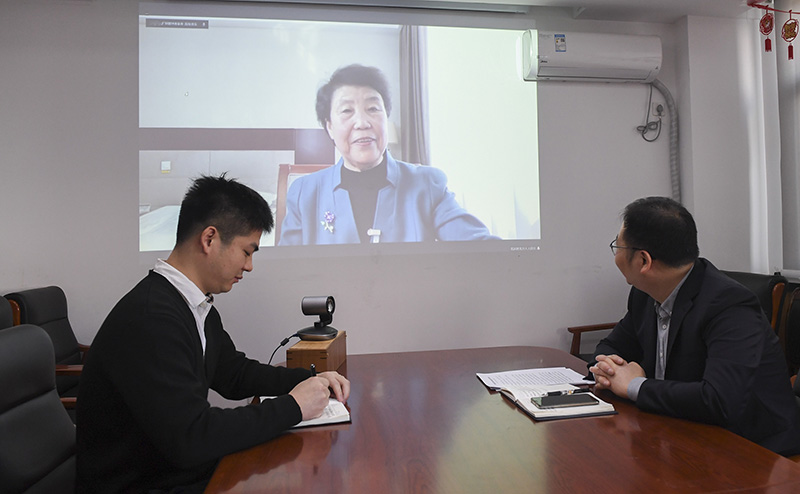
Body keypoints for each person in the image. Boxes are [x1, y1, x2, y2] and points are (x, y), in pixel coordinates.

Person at [76, 174, 350, 493]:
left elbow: (232, 373)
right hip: (142, 483)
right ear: (210, 239)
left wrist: (308, 380)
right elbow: (191, 437)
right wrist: (293, 406)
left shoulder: (192, 304)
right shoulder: (152, 318)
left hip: (170, 470)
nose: (249, 266)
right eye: (247, 251)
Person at [590, 196, 800, 456]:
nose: (616, 255)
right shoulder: (644, 293)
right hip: (678, 428)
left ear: (643, 261)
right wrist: (609, 370)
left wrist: (634, 386)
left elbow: (720, 400)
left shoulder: (729, 305)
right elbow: (611, 346)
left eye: (618, 246)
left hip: (751, 448)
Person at [278, 63, 498, 245]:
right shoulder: (304, 194)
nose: (362, 123)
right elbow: (287, 273)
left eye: (373, 109)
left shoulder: (427, 185)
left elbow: (478, 248)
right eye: (347, 111)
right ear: (329, 127)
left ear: (386, 117)